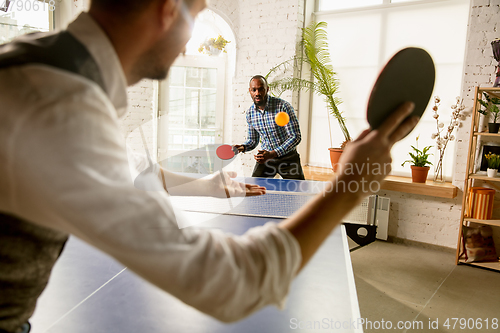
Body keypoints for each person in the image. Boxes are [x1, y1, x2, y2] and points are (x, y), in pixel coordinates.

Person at [0, 0, 418, 332]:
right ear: (167, 9)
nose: (187, 44)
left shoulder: (33, 61)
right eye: (196, 15)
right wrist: (350, 184)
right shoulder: (65, 108)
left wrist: (211, 185)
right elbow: (234, 284)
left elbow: (127, 173)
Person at [234, 75, 306, 179]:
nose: (257, 93)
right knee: (254, 191)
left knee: (298, 193)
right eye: (254, 90)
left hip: (288, 159)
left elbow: (295, 137)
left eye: (261, 89)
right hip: (266, 160)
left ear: (267, 89)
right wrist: (242, 147)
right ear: (250, 91)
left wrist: (273, 153)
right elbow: (253, 141)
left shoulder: (283, 106)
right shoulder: (250, 113)